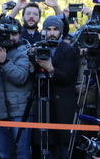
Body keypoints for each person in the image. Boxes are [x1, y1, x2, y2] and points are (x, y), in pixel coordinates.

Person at [32, 15, 80, 158]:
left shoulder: (69, 50)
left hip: (62, 106)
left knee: (62, 148)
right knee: (44, 144)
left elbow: (67, 77)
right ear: (44, 31)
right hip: (43, 103)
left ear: (60, 32)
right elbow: (32, 76)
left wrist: (51, 69)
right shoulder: (40, 46)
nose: (52, 33)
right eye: (49, 29)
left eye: (55, 30)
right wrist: (31, 63)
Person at [0, 17, 33, 159]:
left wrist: (4, 61)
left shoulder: (25, 51)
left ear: (20, 34)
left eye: (14, 34)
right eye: (8, 34)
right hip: (0, 110)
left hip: (20, 112)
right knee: (3, 153)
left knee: (22, 152)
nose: (11, 38)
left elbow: (21, 77)